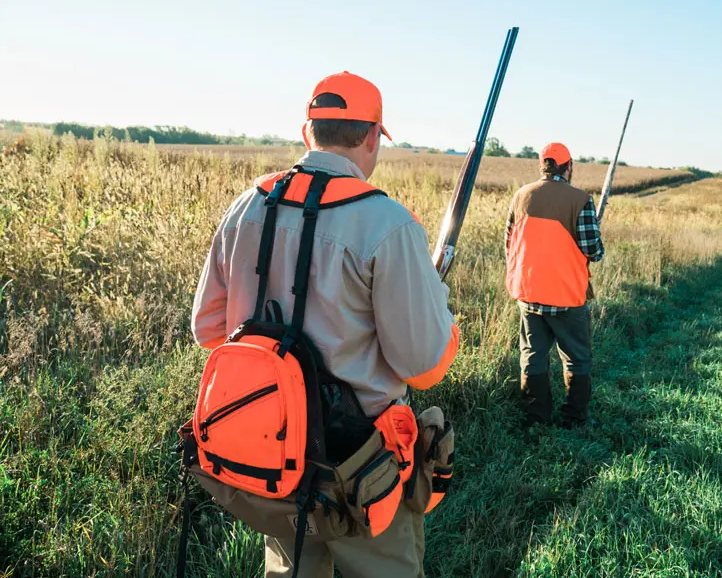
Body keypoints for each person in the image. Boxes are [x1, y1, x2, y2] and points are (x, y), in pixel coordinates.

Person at [191, 71, 459, 578]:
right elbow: (423, 367)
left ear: (307, 132)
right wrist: (443, 315)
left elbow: (208, 331)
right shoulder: (388, 223)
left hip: (275, 454)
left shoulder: (245, 208)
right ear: (371, 136)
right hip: (362, 469)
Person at [504, 142, 605, 429]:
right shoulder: (580, 199)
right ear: (568, 166)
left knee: (532, 357)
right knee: (576, 358)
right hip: (566, 295)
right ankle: (574, 419)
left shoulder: (520, 196)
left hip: (529, 294)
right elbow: (593, 251)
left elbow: (509, 245)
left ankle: (537, 419)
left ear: (542, 165)